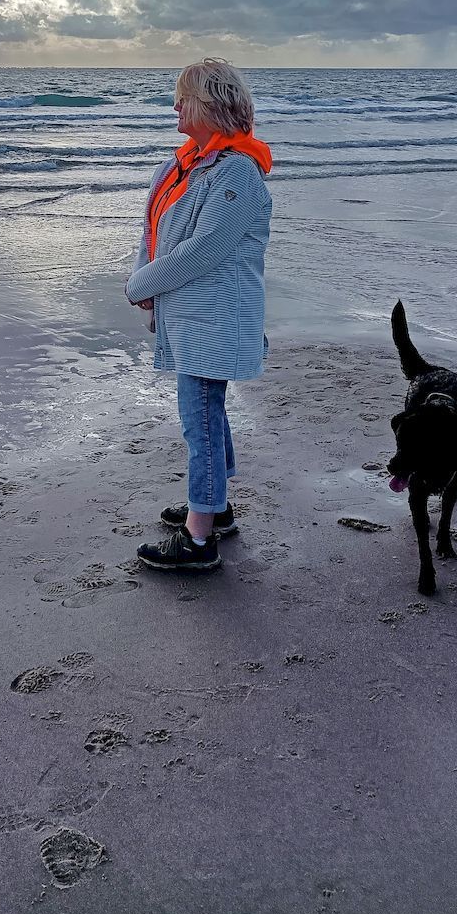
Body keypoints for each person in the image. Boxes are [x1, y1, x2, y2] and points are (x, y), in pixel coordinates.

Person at [125, 59, 272, 572]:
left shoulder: (237, 172)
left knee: (200, 421)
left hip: (216, 318)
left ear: (211, 105)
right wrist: (147, 282)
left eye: (183, 98)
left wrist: (142, 285)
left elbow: (204, 250)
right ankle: (216, 508)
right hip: (187, 313)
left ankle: (199, 537)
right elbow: (154, 231)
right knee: (207, 413)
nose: (174, 106)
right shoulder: (183, 165)